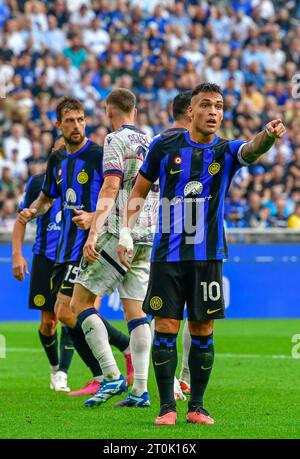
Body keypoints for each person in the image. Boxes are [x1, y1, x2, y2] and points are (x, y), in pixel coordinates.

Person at [118, 82, 286, 425]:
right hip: (167, 254)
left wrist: (267, 136)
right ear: (190, 111)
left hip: (208, 256)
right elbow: (139, 189)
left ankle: (196, 406)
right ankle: (167, 408)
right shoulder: (164, 146)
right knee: (165, 326)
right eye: (206, 105)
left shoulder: (225, 151)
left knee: (202, 329)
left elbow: (252, 150)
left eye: (219, 106)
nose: (213, 112)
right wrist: (125, 231)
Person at [18, 97, 133, 395]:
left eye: (80, 119)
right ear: (58, 125)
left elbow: (119, 193)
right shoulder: (57, 159)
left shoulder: (98, 155)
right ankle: (117, 358)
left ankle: (107, 372)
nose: (77, 125)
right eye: (70, 120)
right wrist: (33, 211)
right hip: (65, 249)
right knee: (66, 313)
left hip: (91, 244)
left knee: (68, 312)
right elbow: (46, 198)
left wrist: (95, 216)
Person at [70, 88, 158, 408]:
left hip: (120, 232)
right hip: (147, 235)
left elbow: (110, 185)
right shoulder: (151, 142)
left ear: (109, 112)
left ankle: (111, 376)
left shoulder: (114, 140)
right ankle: (140, 391)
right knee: (136, 313)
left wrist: (94, 231)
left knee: (79, 303)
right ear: (134, 110)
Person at [12, 136, 75, 392]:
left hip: (71, 257)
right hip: (44, 259)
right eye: (62, 150)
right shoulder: (38, 183)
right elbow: (22, 218)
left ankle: (63, 373)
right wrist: (17, 254)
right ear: (53, 154)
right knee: (48, 322)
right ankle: (53, 366)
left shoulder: (84, 181)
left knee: (70, 317)